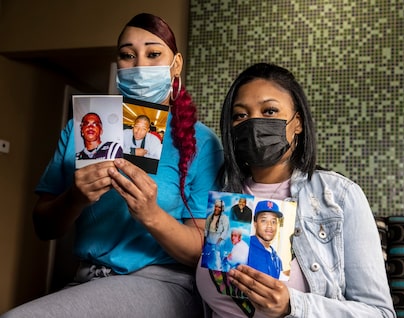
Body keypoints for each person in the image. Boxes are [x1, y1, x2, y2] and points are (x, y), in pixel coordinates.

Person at [1, 12, 223, 318]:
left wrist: (151, 215)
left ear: (176, 64)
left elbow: (201, 250)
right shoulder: (85, 128)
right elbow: (43, 226)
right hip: (86, 280)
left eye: (153, 53)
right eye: (127, 55)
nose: (140, 65)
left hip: (162, 284)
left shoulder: (203, 142)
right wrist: (75, 197)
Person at [196, 63, 395, 317]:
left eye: (269, 111)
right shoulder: (219, 196)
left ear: (297, 122)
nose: (254, 123)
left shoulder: (339, 195)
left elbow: (380, 313)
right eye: (240, 116)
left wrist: (293, 306)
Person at [247, 200, 283, 279]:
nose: (269, 225)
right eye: (264, 220)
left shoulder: (277, 259)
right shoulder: (245, 248)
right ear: (255, 223)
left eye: (273, 221)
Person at [202, 199, 230, 270]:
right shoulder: (210, 217)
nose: (217, 208)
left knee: (216, 262)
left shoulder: (224, 218)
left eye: (219, 207)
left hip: (218, 243)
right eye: (216, 206)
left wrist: (219, 241)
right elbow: (206, 228)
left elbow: (225, 230)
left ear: (222, 209)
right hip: (209, 242)